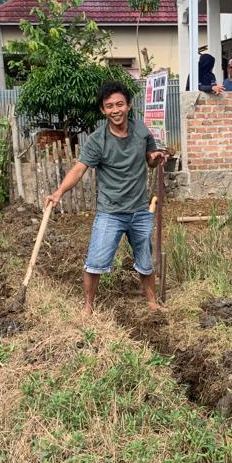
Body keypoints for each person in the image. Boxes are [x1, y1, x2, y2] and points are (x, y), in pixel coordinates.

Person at [45, 81, 167, 315]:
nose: (115, 110)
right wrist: (59, 192)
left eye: (120, 104)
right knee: (95, 261)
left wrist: (156, 157)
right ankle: (88, 306)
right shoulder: (97, 140)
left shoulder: (141, 131)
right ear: (103, 110)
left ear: (129, 106)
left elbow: (150, 161)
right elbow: (79, 169)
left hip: (140, 210)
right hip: (110, 211)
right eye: (109, 106)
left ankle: (151, 302)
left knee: (145, 261)